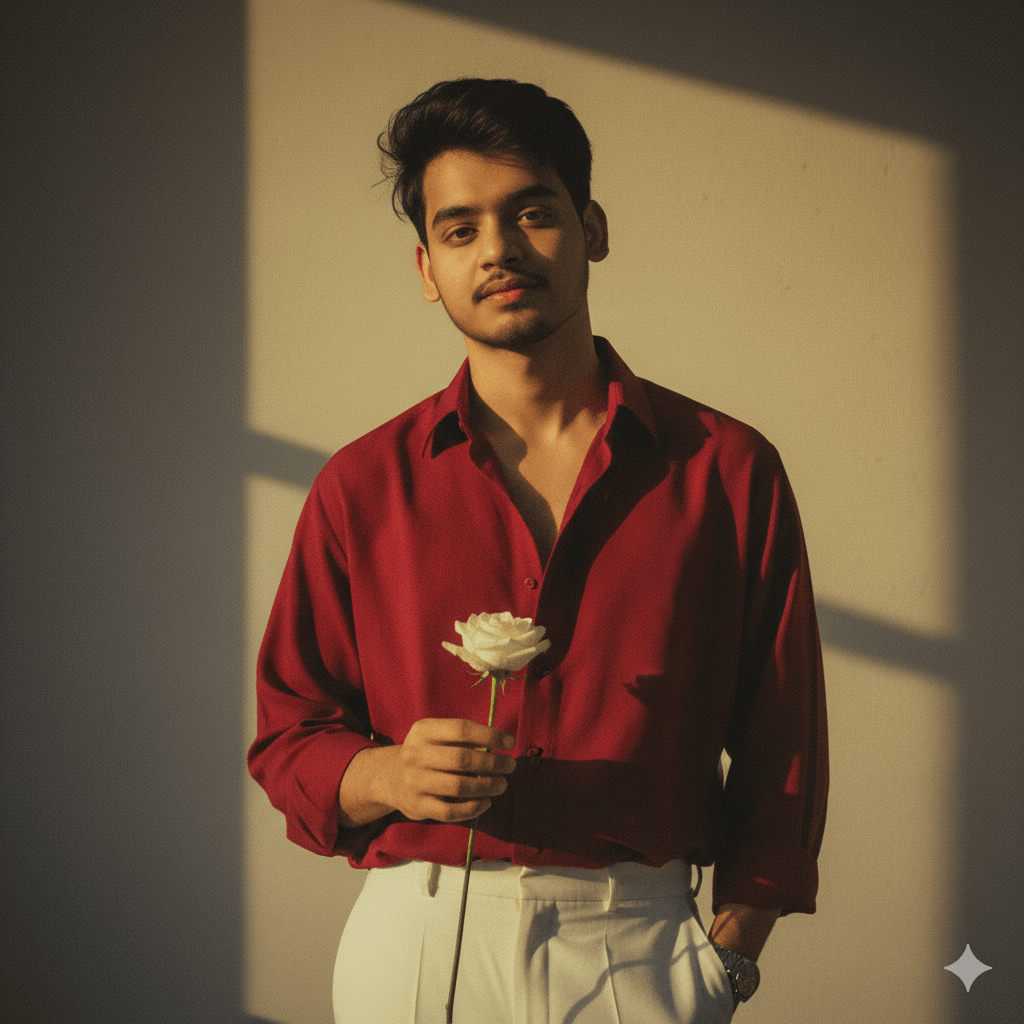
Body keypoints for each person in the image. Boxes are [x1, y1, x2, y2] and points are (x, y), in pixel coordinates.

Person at [249, 78, 828, 1023]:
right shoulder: (360, 486)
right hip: (419, 944)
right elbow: (289, 736)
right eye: (460, 228)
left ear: (592, 227)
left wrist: (727, 963)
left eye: (532, 213)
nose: (501, 250)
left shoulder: (727, 470)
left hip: (639, 948)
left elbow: (785, 747)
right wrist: (391, 774)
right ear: (427, 266)